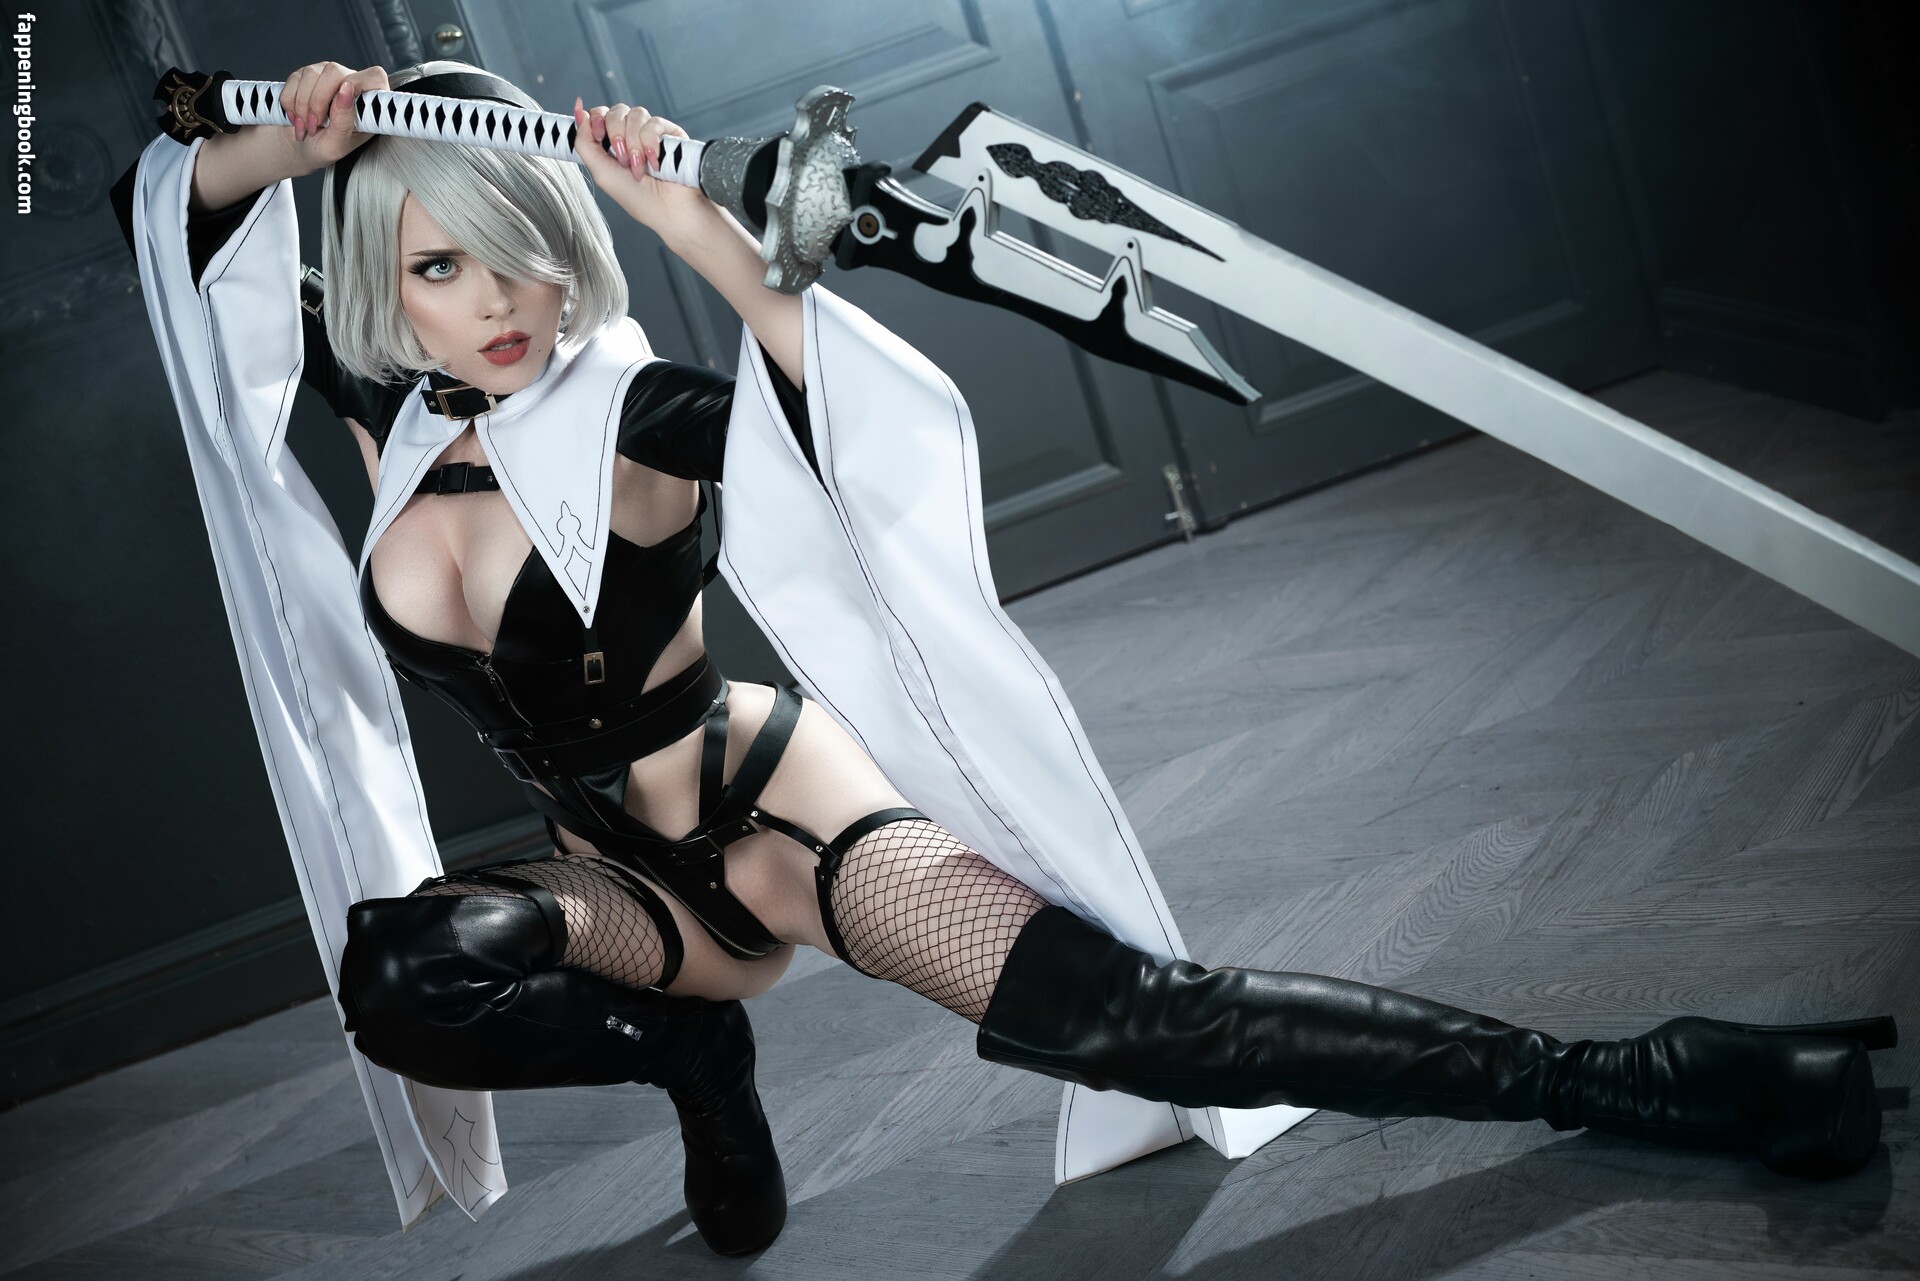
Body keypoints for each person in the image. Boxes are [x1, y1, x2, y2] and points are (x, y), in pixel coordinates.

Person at [120, 58, 1896, 1259]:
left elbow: (831, 417)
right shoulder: (390, 422)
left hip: (771, 823)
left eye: (523, 256)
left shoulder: (636, 416)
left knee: (1146, 1021)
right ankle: (696, 1066)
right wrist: (288, 145)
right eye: (445, 268)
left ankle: (1641, 1073)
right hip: (619, 892)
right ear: (390, 287)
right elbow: (192, 223)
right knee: (403, 970)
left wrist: (692, 234)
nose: (501, 304)